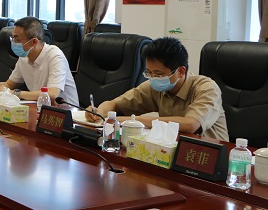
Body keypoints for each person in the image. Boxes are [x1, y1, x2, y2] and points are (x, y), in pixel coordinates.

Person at [87, 36, 228, 141]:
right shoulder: (154, 86)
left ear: (181, 71)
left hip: (210, 156)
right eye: (149, 72)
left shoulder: (206, 88)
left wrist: (131, 120)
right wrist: (99, 112)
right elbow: (115, 103)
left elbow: (190, 124)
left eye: (159, 74)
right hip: (171, 149)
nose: (153, 78)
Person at [0, 17, 78, 106]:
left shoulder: (55, 56)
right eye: (12, 38)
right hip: (39, 108)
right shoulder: (24, 57)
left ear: (34, 42)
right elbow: (10, 84)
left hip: (67, 111)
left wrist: (15, 93)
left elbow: (52, 94)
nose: (13, 42)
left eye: (17, 39)